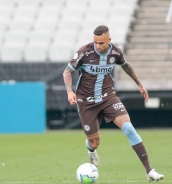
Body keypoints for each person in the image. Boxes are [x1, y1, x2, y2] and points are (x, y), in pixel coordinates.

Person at [63, 25, 164, 181]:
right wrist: (70, 91)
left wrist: (139, 84)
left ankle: (149, 171)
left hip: (108, 97)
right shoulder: (84, 52)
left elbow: (126, 66)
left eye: (101, 43)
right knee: (94, 143)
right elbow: (67, 71)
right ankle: (91, 150)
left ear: (109, 40)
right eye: (95, 42)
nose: (98, 46)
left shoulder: (115, 52)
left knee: (129, 128)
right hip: (86, 102)